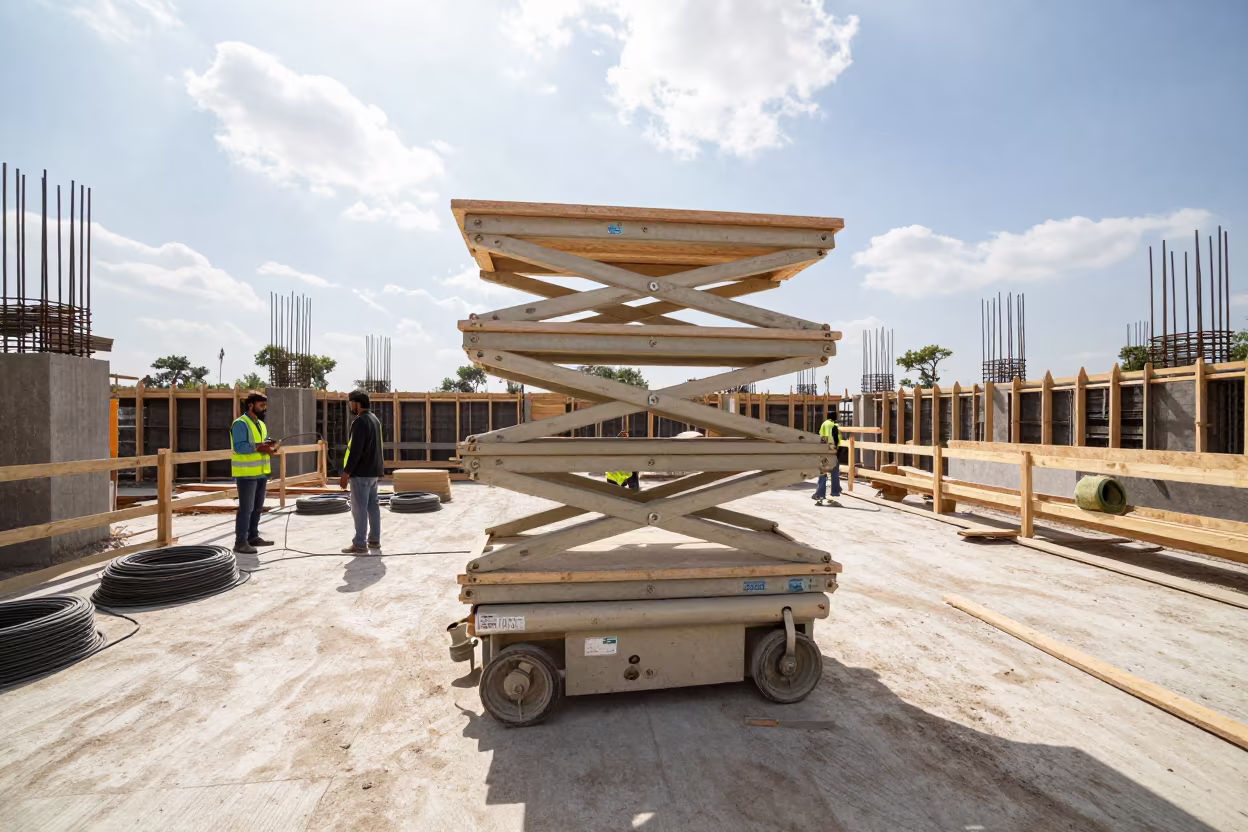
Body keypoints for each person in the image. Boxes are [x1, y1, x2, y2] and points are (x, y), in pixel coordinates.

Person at [231, 391, 278, 554]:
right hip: (246, 474)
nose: (264, 408)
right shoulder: (240, 424)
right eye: (261, 405)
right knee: (246, 508)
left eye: (265, 405)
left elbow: (260, 445)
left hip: (261, 473)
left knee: (257, 507)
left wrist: (269, 448)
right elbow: (239, 447)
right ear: (250, 405)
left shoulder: (261, 424)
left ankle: (253, 537)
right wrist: (259, 446)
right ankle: (240, 542)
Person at [339, 389, 384, 553]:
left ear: (357, 403)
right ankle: (374, 540)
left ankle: (359, 543)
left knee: (359, 509)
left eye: (351, 403)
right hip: (372, 472)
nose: (350, 406)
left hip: (360, 474)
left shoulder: (359, 422)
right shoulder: (375, 420)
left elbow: (356, 450)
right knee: (373, 507)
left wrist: (346, 473)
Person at [812, 414, 842, 507]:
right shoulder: (835, 426)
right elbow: (838, 439)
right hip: (832, 449)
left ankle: (820, 494)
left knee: (823, 472)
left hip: (824, 449)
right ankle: (835, 491)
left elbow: (821, 436)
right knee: (835, 470)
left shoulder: (824, 424)